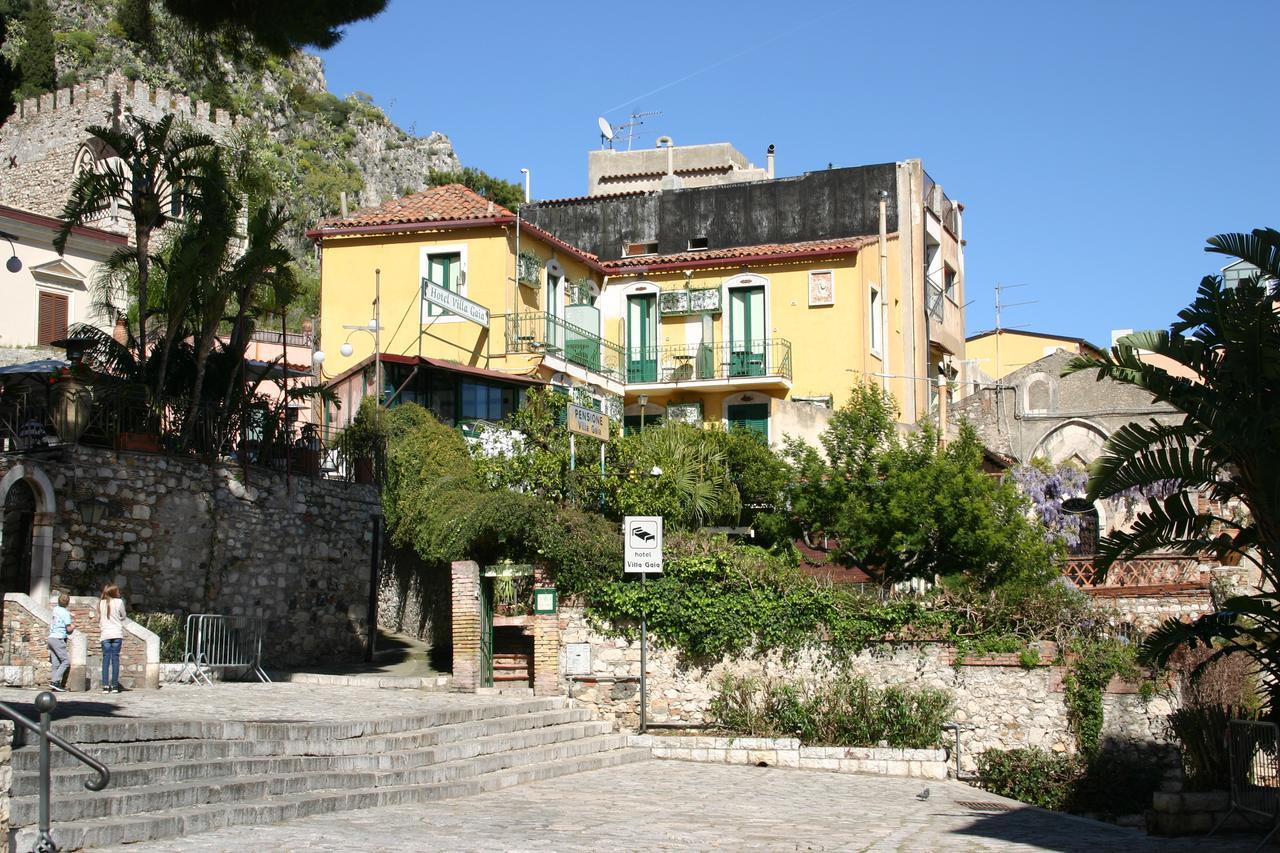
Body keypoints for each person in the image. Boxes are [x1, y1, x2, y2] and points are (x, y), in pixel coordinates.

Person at [98, 584, 127, 693]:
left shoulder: (101, 603)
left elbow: (99, 618)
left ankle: (105, 686)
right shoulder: (119, 602)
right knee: (115, 660)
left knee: (106, 660)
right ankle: (114, 686)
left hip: (105, 634)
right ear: (114, 592)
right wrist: (118, 618)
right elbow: (123, 616)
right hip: (116, 634)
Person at [47, 592, 73, 692]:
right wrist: (73, 627)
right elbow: (68, 629)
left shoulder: (55, 609)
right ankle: (54, 681)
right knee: (66, 661)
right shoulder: (65, 613)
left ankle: (56, 685)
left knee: (55, 663)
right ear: (67, 603)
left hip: (51, 638)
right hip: (58, 639)